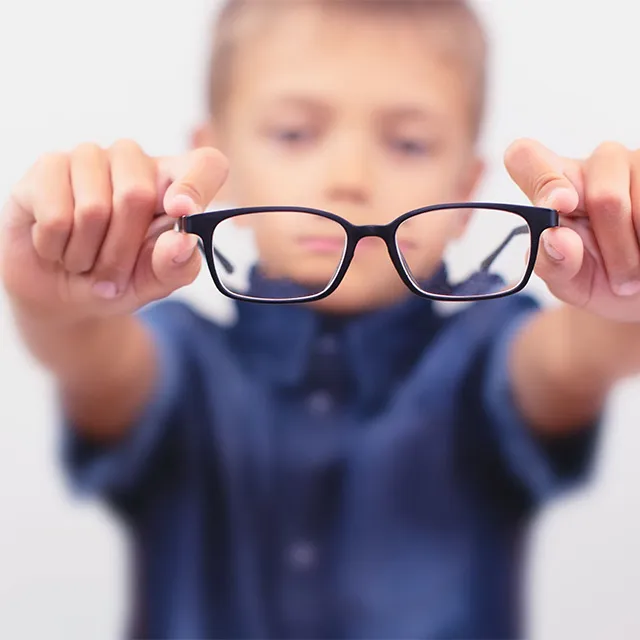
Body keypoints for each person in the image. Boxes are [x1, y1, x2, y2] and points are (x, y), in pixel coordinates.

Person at [2, 0, 640, 637]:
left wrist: (625, 288)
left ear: (466, 191)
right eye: (294, 133)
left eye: (409, 143)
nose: (349, 179)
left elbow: (574, 357)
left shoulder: (486, 354)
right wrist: (54, 297)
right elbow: (92, 355)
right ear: (213, 164)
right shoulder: (178, 363)